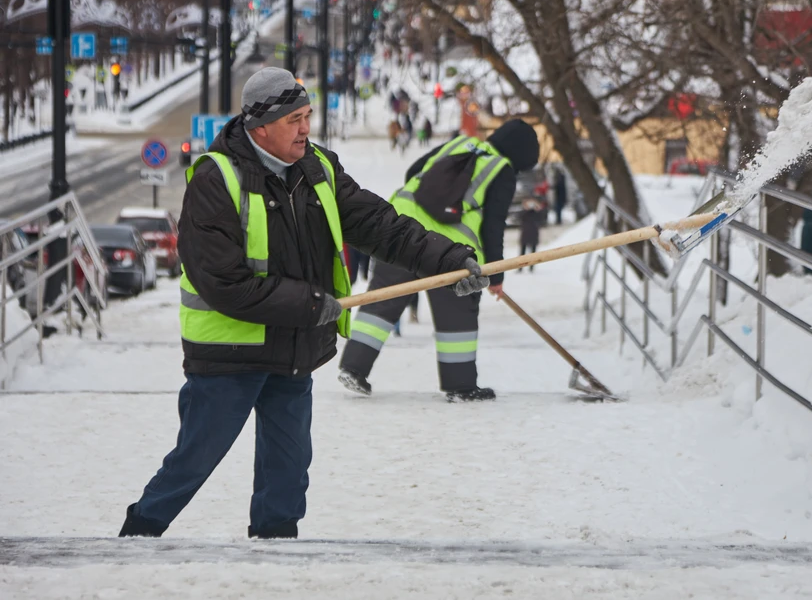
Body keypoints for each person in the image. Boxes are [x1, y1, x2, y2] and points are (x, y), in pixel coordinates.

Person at [118, 68, 487, 540]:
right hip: (229, 355)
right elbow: (223, 283)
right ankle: (137, 536)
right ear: (261, 126)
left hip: (293, 349)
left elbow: (383, 226)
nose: (305, 128)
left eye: (308, 116)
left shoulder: (319, 169)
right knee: (194, 460)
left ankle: (276, 553)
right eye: (294, 119)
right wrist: (311, 305)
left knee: (288, 473)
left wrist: (450, 259)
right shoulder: (216, 180)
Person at [338, 119, 540, 402]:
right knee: (457, 312)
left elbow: (414, 170)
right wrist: (496, 276)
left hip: (401, 230)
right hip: (451, 251)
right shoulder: (501, 170)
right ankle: (460, 386)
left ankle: (353, 367)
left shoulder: (458, 143)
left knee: (381, 301)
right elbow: (493, 225)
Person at [518, 197, 542, 271]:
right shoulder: (524, 212)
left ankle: (532, 267)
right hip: (525, 233)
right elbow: (520, 216)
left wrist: (538, 208)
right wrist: (526, 209)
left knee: (533, 251)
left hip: (534, 233)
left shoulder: (537, 212)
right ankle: (520, 267)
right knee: (522, 251)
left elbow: (542, 218)